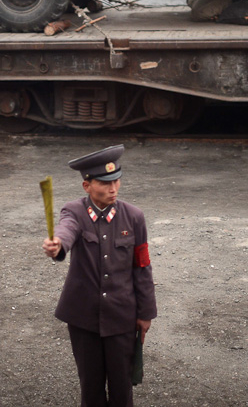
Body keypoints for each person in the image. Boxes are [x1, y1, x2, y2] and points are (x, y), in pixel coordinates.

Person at [42, 144, 157, 407]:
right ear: (87, 186)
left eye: (116, 180)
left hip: (122, 317)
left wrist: (145, 312)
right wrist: (57, 244)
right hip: (84, 318)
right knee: (91, 390)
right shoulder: (75, 212)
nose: (113, 188)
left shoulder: (134, 217)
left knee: (122, 389)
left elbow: (142, 266)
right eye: (105, 183)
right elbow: (66, 230)